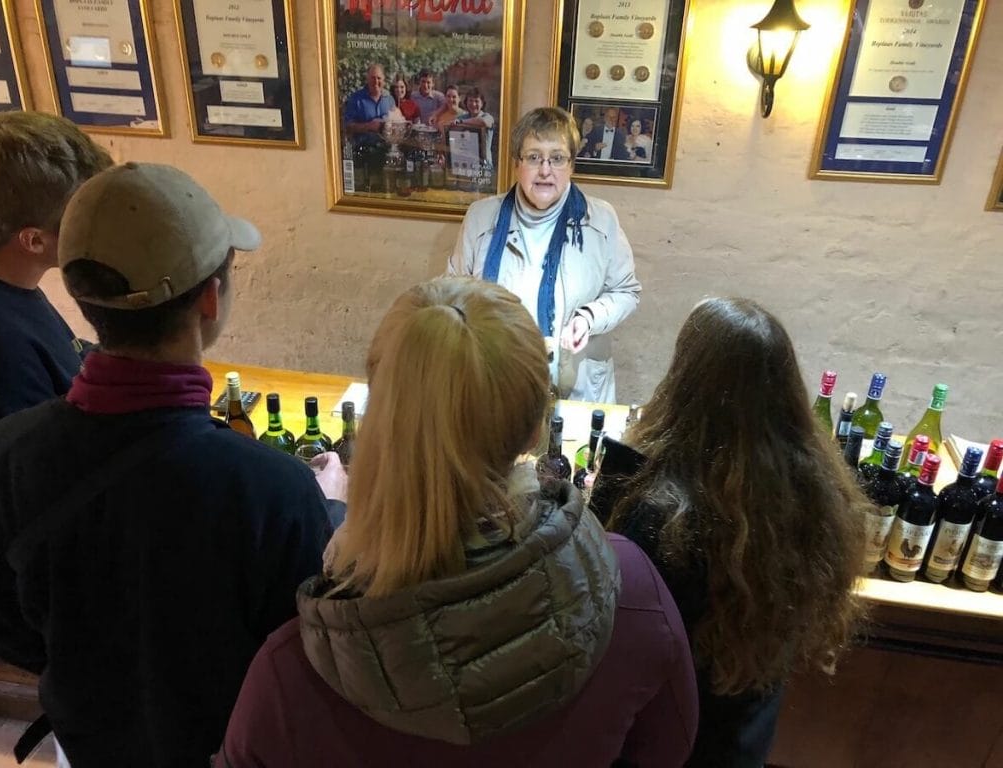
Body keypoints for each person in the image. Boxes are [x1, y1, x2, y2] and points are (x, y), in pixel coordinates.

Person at [220, 277, 698, 767]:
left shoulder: (291, 675)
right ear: (535, 429)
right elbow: (670, 748)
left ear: (381, 419)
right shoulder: (633, 593)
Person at [0, 162, 345, 767]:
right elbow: (301, 665)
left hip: (89, 744)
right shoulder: (271, 489)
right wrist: (324, 502)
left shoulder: (0, 455)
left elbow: (16, 633)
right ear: (210, 298)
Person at [598, 297, 868, 768]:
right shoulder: (814, 491)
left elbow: (605, 614)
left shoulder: (661, 513)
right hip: (743, 733)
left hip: (664, 741)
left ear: (683, 378)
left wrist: (614, 479)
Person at [448, 107, 641, 403]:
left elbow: (626, 291)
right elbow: (453, 294)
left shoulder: (601, 220)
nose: (545, 170)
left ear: (572, 165)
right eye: (534, 157)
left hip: (575, 386)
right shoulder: (480, 217)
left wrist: (590, 318)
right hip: (497, 381)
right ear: (516, 164)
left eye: (557, 158)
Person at [0, 111, 113, 438]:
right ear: (34, 240)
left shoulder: (13, 283)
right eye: (84, 216)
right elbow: (39, 470)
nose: (99, 225)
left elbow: (66, 353)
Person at [343, 62, 394, 147]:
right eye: (373, 78)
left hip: (386, 149)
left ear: (384, 80)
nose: (376, 81)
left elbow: (396, 122)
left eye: (379, 78)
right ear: (367, 79)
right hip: (363, 149)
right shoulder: (356, 99)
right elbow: (347, 127)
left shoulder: (389, 99)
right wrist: (368, 126)